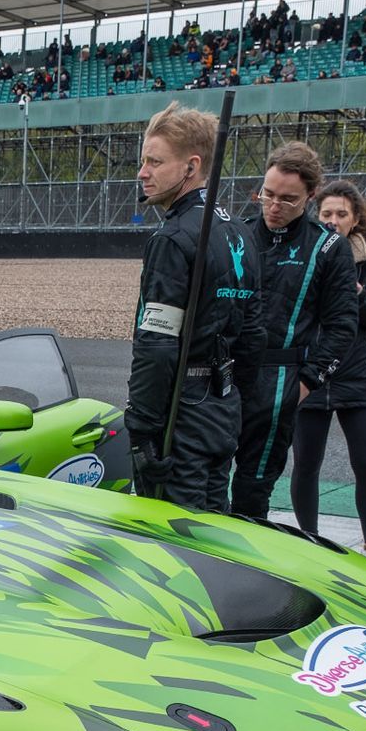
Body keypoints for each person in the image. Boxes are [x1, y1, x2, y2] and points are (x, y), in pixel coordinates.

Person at [125, 102, 263, 512]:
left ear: (192, 166)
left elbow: (157, 344)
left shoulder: (172, 238)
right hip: (223, 409)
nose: (142, 172)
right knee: (213, 529)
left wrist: (142, 428)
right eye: (143, 161)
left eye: (154, 162)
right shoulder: (240, 230)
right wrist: (235, 404)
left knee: (173, 539)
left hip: (179, 416)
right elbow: (253, 337)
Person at [230, 142, 359, 518]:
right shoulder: (236, 235)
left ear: (310, 196)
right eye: (267, 194)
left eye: (287, 200)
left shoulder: (328, 247)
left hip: (280, 379)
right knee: (205, 478)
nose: (273, 206)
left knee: (253, 489)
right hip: (224, 378)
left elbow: (342, 326)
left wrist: (304, 384)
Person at [292, 179, 366, 550]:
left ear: (356, 219)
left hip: (360, 377)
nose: (333, 220)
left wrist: (358, 292)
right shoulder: (302, 254)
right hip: (313, 375)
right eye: (326, 213)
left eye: (341, 214)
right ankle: (309, 539)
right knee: (306, 463)